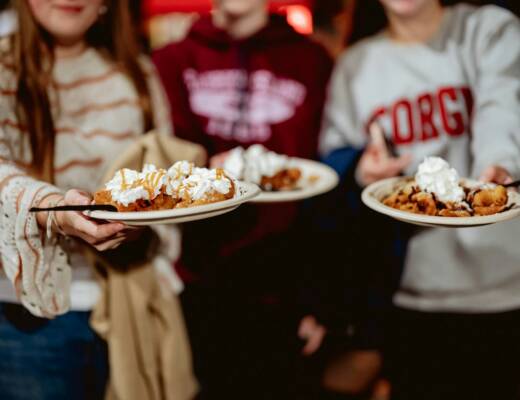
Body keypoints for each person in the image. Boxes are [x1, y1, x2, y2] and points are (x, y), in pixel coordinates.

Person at [320, 0, 520, 399]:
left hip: (505, 284)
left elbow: (504, 105)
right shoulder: (356, 65)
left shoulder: (489, 29)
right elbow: (332, 163)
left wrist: (499, 164)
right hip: (411, 291)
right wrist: (362, 169)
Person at [0, 1, 194, 398]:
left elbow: (158, 187)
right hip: (28, 313)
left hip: (130, 299)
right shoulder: (3, 67)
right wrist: (56, 211)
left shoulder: (136, 73)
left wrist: (145, 225)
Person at [153, 0, 333, 398]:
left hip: (283, 283)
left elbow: (324, 194)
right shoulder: (169, 61)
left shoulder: (313, 61)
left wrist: (319, 296)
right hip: (193, 278)